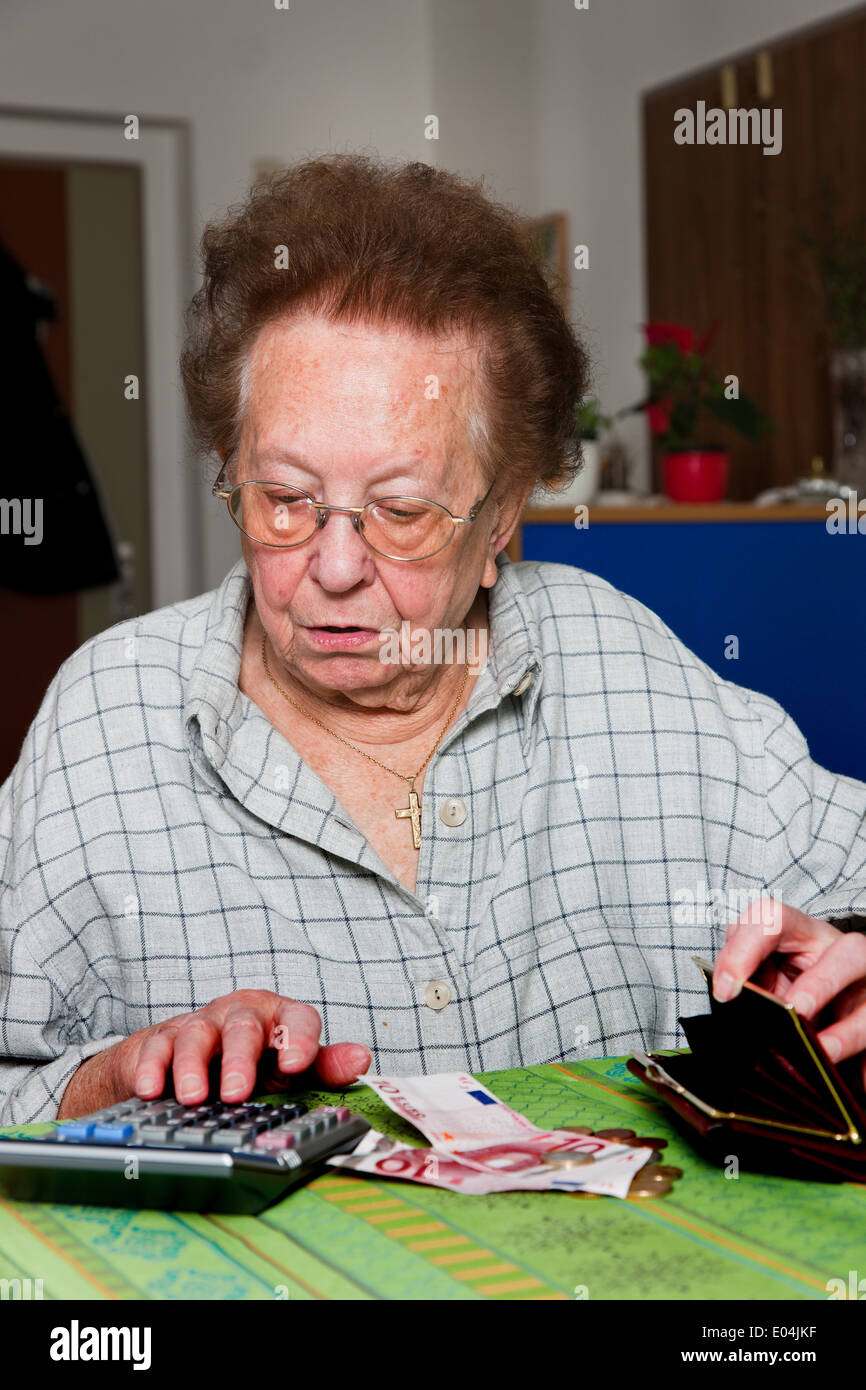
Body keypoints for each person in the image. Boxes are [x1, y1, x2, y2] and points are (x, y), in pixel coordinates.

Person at [1, 153, 865, 1126]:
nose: (332, 566)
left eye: (401, 509)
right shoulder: (106, 716)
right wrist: (108, 1082)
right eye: (283, 498)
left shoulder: (616, 660)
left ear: (501, 515)